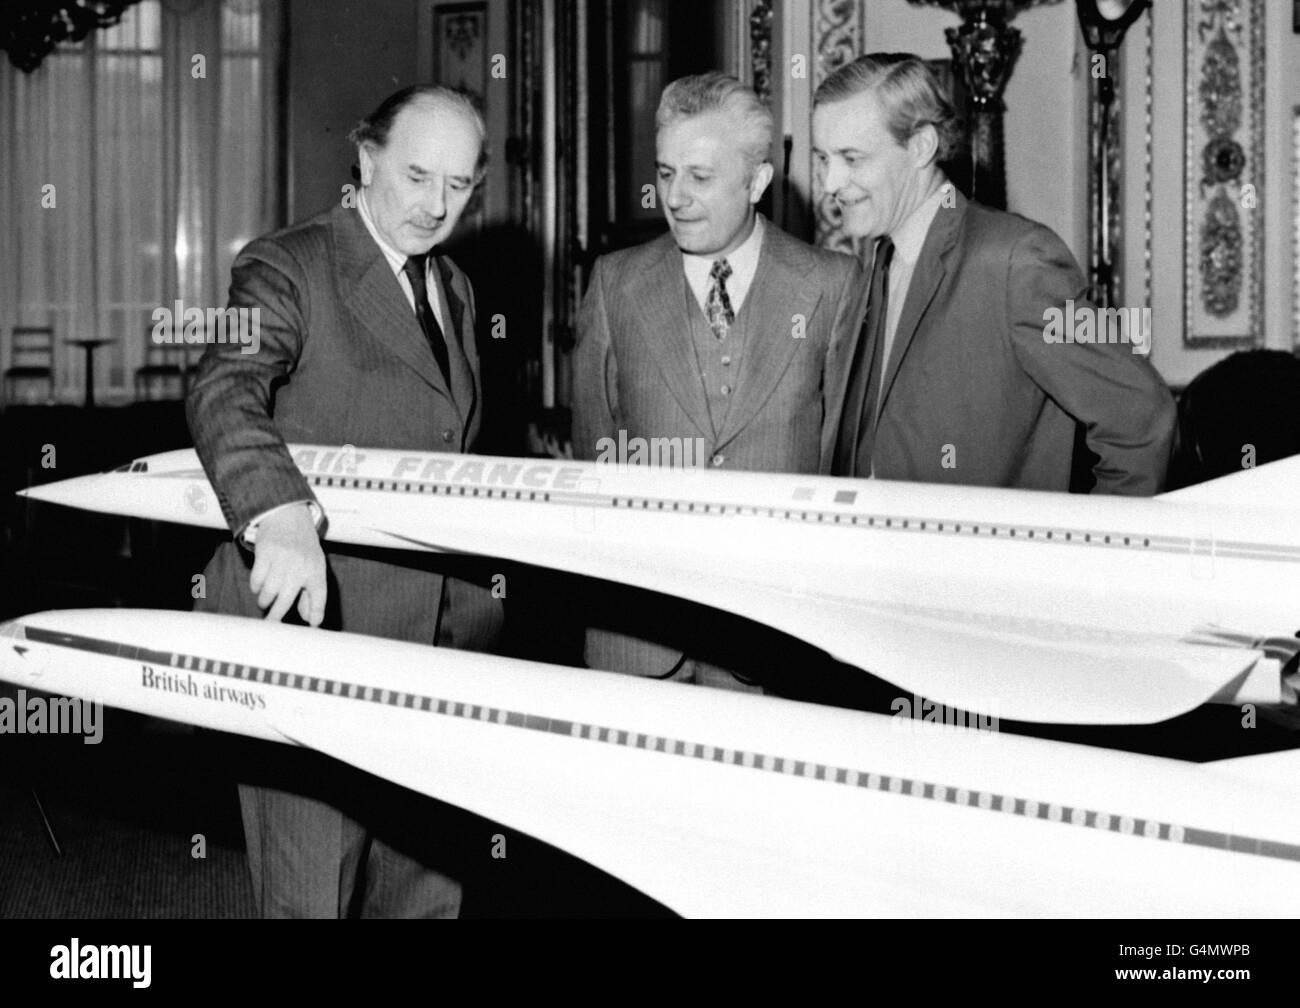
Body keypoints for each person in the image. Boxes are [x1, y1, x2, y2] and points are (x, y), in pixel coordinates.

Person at [187, 85, 502, 917]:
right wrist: (280, 511)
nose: (438, 205)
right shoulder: (288, 263)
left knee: (425, 890)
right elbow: (224, 387)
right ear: (365, 161)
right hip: (322, 627)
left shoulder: (456, 288)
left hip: (438, 647)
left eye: (461, 185)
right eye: (417, 175)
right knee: (314, 896)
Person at [571, 72, 863, 692]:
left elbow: (843, 464)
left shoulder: (832, 285)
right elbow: (591, 466)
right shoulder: (615, 283)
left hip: (776, 641)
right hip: (638, 644)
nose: (674, 197)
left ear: (756, 181)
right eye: (667, 172)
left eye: (700, 177)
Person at [813, 53, 1174, 494]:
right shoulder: (879, 259)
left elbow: (1143, 415)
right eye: (823, 158)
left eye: (851, 158)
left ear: (921, 146)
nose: (829, 183)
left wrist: (1091, 553)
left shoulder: (1019, 260)